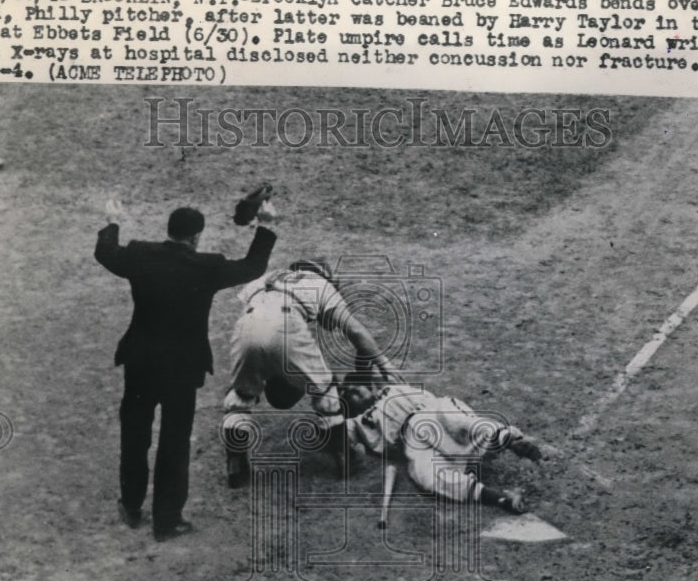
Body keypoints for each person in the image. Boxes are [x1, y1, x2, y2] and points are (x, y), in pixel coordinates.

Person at [95, 194, 277, 541]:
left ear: (169, 231)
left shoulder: (139, 254)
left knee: (134, 434)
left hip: (141, 360)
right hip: (182, 366)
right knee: (174, 442)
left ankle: (132, 505)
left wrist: (112, 221)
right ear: (196, 238)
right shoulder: (206, 266)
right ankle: (167, 520)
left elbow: (106, 253)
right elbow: (253, 267)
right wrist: (265, 225)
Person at [221, 258, 395, 487]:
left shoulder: (267, 278)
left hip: (245, 326)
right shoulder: (319, 283)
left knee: (240, 396)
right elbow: (355, 331)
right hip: (285, 324)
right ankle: (345, 457)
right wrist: (385, 366)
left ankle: (236, 466)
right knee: (326, 393)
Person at [337, 368, 543, 528]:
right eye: (345, 395)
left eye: (354, 388)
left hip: (433, 410)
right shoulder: (355, 424)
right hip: (410, 438)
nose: (350, 393)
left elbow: (366, 356)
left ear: (369, 385)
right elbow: (333, 436)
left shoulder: (388, 386)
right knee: (424, 474)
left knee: (462, 422)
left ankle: (511, 440)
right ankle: (497, 497)